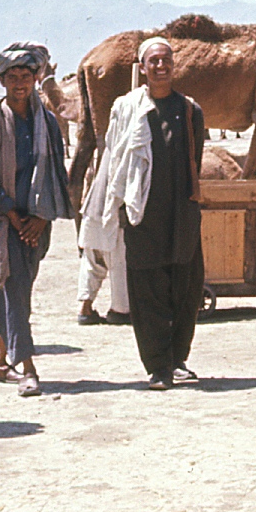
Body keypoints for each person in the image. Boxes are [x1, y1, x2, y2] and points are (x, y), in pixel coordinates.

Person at [84, 37, 205, 390]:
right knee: (147, 292)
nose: (161, 66)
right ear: (142, 68)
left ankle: (178, 359)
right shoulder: (128, 109)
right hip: (144, 217)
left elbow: (194, 158)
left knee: (185, 288)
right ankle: (158, 367)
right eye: (154, 61)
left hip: (182, 214)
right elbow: (117, 158)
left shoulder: (189, 110)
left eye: (166, 60)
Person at [0, 43, 71, 397]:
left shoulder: (47, 122)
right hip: (3, 220)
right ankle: (27, 367)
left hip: (37, 222)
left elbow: (57, 169)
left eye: (26, 76)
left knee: (19, 290)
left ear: (37, 78)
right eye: (13, 77)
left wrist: (41, 217)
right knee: (14, 290)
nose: (20, 82)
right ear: (2, 80)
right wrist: (11, 212)